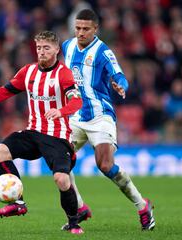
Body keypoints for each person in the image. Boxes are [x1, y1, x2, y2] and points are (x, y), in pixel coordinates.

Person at [0, 31, 84, 234]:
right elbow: (4, 91)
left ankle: (73, 222)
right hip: (33, 132)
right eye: (38, 48)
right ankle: (18, 202)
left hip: (57, 136)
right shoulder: (28, 72)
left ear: (56, 50)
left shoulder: (63, 74)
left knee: (62, 180)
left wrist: (60, 111)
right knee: (0, 151)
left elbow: (77, 101)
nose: (42, 52)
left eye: (46, 48)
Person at [61, 9, 155, 231]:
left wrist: (121, 86)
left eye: (85, 29)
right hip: (75, 116)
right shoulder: (67, 46)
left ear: (95, 29)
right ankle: (80, 208)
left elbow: (120, 75)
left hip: (99, 116)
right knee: (59, 161)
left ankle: (142, 205)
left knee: (104, 165)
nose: (81, 33)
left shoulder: (103, 52)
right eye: (78, 28)